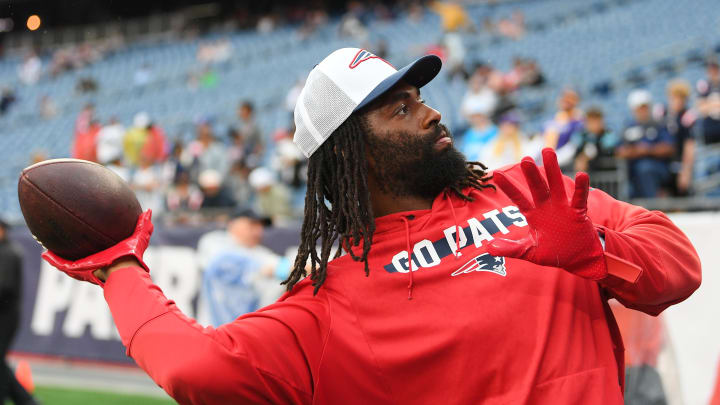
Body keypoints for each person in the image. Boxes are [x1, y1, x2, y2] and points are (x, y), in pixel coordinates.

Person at [41, 48, 701, 405]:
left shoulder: (531, 195)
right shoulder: (329, 305)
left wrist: (599, 252)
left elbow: (679, 264)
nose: (431, 114)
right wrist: (117, 266)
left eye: (420, 97)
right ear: (351, 155)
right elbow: (195, 368)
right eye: (399, 109)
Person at [0, 219, 39, 405]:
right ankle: (26, 400)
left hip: (5, 318)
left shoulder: (9, 253)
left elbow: (4, 287)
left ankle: (25, 400)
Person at [616, 90, 674, 198]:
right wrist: (636, 151)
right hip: (634, 171)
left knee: (645, 168)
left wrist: (648, 150)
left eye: (644, 107)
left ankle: (654, 204)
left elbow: (668, 147)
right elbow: (620, 151)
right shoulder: (628, 127)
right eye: (639, 108)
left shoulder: (658, 125)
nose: (642, 111)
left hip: (657, 167)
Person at [573, 107, 620, 173]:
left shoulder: (608, 134)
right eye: (590, 122)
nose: (593, 125)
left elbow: (607, 149)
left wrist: (586, 157)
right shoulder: (582, 135)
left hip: (606, 173)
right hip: (590, 173)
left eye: (596, 121)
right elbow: (576, 150)